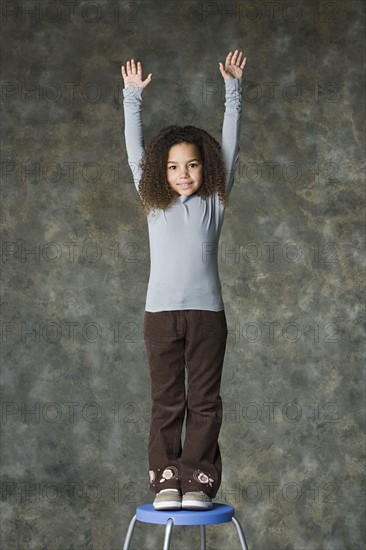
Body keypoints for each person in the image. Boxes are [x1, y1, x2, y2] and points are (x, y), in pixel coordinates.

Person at [121, 50, 246, 511]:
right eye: (174, 167)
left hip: (207, 315)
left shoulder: (215, 199)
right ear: (162, 172)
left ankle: (198, 482)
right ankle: (167, 481)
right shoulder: (154, 203)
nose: (183, 174)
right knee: (167, 402)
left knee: (205, 402)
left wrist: (233, 91)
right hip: (160, 315)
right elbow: (135, 152)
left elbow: (231, 146)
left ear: (205, 167)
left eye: (192, 165)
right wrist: (132, 98)